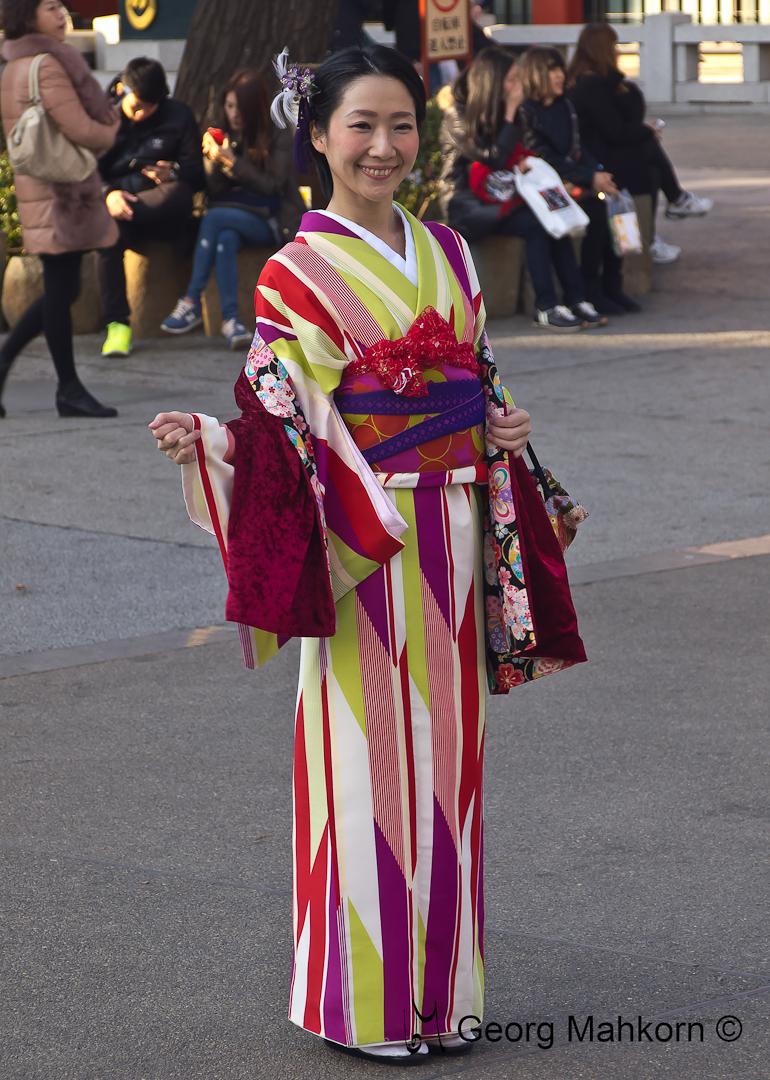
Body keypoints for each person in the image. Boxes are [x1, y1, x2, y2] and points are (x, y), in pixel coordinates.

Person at [149, 43, 585, 1059]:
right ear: (319, 134)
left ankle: (448, 994)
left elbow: (479, 377)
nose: (383, 146)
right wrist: (211, 444)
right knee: (366, 759)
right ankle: (367, 1004)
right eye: (361, 126)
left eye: (400, 126)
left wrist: (498, 429)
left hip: (457, 526)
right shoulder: (292, 275)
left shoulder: (449, 253)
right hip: (364, 538)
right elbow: (280, 423)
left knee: (453, 771)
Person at [0, 0, 121, 419]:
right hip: (61, 195)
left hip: (43, 190)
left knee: (62, 289)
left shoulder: (15, 64)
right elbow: (81, 128)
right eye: (50, 6)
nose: (62, 13)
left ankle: (8, 364)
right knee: (60, 289)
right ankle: (68, 388)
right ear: (27, 15)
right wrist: (112, 128)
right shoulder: (48, 64)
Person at [439, 46, 605, 332]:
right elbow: (492, 157)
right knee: (536, 225)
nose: (518, 86)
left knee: (555, 216)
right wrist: (513, 110)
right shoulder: (458, 113)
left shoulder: (504, 110)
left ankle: (576, 298)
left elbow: (516, 154)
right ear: (494, 81)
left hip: (503, 194)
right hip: (467, 203)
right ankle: (545, 307)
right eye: (512, 79)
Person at [160, 69, 304, 350]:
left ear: (256, 107)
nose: (234, 113)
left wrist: (233, 162)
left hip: (274, 220)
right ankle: (231, 322)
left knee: (213, 218)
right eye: (229, 106)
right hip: (234, 219)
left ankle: (191, 299)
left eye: (241, 107)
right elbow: (215, 190)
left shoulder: (276, 133)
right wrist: (213, 159)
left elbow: (271, 185)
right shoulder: (223, 131)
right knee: (225, 238)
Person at [567, 24, 712, 268]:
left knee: (652, 172)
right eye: (614, 46)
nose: (618, 51)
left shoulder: (595, 81)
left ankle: (652, 236)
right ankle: (676, 200)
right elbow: (616, 130)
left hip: (599, 151)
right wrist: (646, 129)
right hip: (594, 159)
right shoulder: (592, 85)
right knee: (646, 145)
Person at [97, 57, 205, 358]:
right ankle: (117, 325)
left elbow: (196, 177)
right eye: (137, 105)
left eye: (150, 106)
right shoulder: (104, 117)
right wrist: (107, 195)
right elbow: (89, 171)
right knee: (108, 235)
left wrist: (174, 172)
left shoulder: (179, 115)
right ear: (121, 89)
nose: (142, 113)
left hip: (162, 211)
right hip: (119, 211)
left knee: (179, 193)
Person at [516, 46, 637, 316]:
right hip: (545, 187)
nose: (561, 76)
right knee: (588, 210)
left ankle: (609, 287)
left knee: (608, 200)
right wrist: (588, 177)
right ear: (537, 74)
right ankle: (585, 293)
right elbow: (543, 158)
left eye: (561, 69)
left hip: (573, 180)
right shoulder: (527, 111)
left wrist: (598, 173)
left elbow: (578, 149)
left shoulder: (565, 105)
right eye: (553, 70)